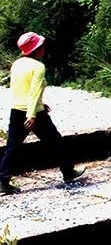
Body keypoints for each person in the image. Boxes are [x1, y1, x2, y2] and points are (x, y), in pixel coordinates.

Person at [0, 32, 84, 194]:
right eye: (41, 45)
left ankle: (3, 181)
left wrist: (40, 104)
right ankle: (68, 172)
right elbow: (33, 91)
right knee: (56, 142)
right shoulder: (38, 67)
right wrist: (32, 114)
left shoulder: (16, 64)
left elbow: (21, 89)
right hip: (33, 113)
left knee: (12, 147)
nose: (44, 48)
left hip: (17, 110)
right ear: (36, 49)